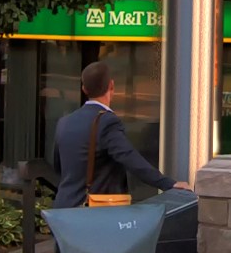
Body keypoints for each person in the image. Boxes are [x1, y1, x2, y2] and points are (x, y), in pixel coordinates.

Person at [53, 59, 185, 207]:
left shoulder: (64, 122)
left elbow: (59, 167)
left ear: (84, 89)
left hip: (63, 212)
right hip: (94, 215)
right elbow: (130, 158)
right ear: (112, 85)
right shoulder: (107, 122)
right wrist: (169, 184)